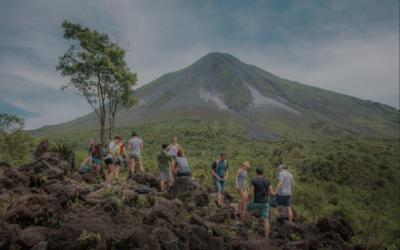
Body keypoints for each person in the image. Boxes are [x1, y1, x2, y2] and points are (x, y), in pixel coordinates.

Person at [236, 167, 274, 239]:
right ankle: (266, 238)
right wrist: (266, 195)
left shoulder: (254, 180)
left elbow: (251, 193)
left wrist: (249, 201)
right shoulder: (268, 181)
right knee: (266, 221)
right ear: (263, 173)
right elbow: (271, 193)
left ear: (256, 172)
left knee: (246, 208)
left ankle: (241, 224)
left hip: (256, 202)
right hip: (265, 203)